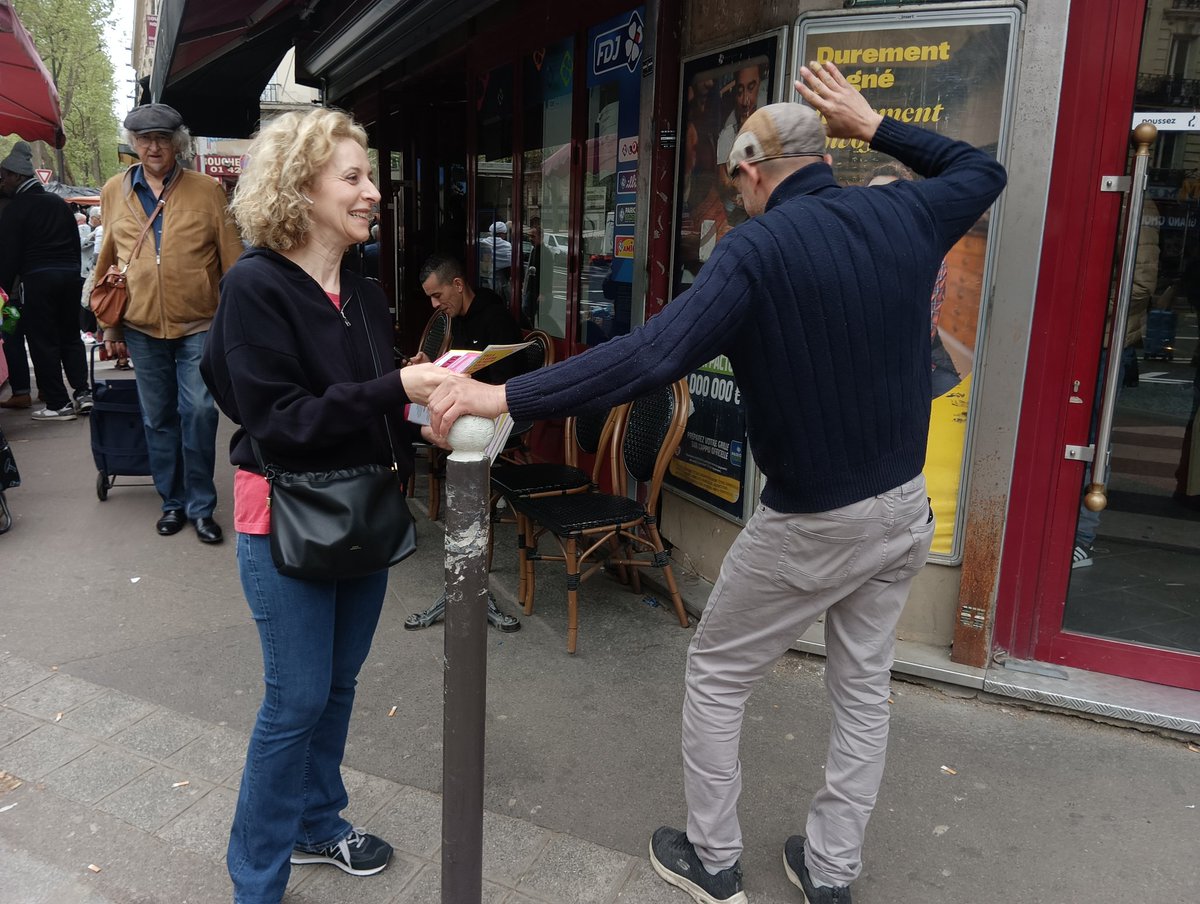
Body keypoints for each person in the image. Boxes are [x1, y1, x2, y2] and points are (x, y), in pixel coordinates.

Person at [425, 60, 1007, 904]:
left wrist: (506, 392)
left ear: (747, 171)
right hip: (902, 510)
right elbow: (982, 172)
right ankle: (832, 870)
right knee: (862, 688)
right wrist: (874, 125)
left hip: (814, 520)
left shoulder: (757, 250)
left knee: (718, 674)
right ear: (826, 154)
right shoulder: (903, 208)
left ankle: (713, 859)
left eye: (736, 178)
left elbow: (648, 354)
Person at [199, 107, 447, 904]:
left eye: (369, 176)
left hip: (362, 512)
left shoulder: (367, 292)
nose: (373, 191)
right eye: (353, 177)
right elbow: (279, 421)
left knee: (335, 687)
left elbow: (369, 404)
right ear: (299, 190)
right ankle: (256, 880)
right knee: (295, 698)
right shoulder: (255, 285)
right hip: (286, 518)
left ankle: (316, 823)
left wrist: (430, 413)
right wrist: (393, 388)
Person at [94, 103, 243, 543]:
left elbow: (233, 261)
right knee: (158, 417)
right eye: (145, 139)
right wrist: (111, 328)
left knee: (198, 412)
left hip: (200, 323)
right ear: (134, 143)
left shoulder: (207, 191)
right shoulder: (113, 191)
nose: (154, 147)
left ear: (177, 141)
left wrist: (239, 325)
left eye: (162, 138)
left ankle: (201, 507)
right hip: (141, 326)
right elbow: (107, 263)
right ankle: (172, 502)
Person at [0, 141, 92, 421]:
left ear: (17, 176)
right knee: (70, 337)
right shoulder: (59, 204)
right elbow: (75, 246)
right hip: (69, 278)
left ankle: (57, 403)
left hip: (37, 281)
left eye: (4, 177)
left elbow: (9, 256)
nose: (2, 182)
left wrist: (3, 289)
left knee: (43, 341)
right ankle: (82, 393)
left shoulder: (17, 209)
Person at [865, 162, 962, 398]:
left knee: (948, 393)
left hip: (910, 358)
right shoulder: (843, 246)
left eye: (892, 197)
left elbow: (922, 328)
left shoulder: (930, 255)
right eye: (872, 197)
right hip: (855, 358)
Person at [418, 253, 526, 384]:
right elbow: (456, 371)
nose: (434, 304)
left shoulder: (498, 321)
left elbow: (503, 384)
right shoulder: (457, 317)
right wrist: (430, 368)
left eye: (437, 295)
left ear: (458, 285)